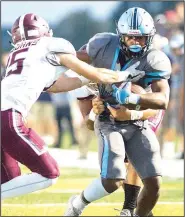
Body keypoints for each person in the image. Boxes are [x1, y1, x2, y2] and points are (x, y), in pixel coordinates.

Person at [1, 13, 139, 200]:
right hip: (7, 120)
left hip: (6, 117)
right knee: (49, 173)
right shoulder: (51, 45)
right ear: (44, 31)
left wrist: (83, 80)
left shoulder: (16, 55)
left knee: (9, 181)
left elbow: (57, 86)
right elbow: (97, 74)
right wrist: (125, 75)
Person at [64, 7, 171, 216]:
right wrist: (95, 112)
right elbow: (73, 60)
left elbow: (162, 100)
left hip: (141, 117)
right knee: (112, 180)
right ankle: (78, 203)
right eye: (131, 37)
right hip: (108, 120)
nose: (136, 42)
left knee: (154, 181)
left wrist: (131, 101)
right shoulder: (100, 48)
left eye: (141, 38)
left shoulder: (154, 58)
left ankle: (132, 211)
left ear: (150, 37)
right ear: (120, 35)